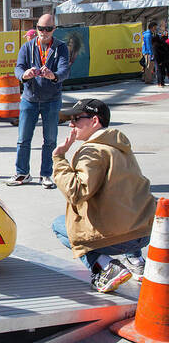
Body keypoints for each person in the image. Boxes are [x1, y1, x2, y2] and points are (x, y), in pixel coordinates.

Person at [51, 99, 155, 293]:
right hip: (143, 233)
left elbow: (76, 192)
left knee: (59, 225)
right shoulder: (120, 146)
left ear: (95, 120)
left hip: (118, 238)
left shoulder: (92, 151)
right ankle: (136, 261)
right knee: (123, 203)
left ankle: (105, 267)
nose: (71, 124)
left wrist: (59, 158)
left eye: (76, 119)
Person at [7, 14, 70, 189]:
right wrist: (24, 75)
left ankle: (46, 174)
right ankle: (22, 173)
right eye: (41, 29)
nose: (44, 32)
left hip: (51, 99)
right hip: (30, 99)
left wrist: (54, 75)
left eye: (48, 29)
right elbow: (18, 67)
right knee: (23, 138)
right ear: (36, 29)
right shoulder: (27, 47)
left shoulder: (60, 48)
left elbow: (65, 70)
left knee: (50, 139)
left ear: (54, 29)